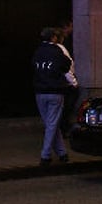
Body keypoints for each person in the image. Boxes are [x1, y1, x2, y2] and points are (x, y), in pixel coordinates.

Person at [32, 27, 72, 166]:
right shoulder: (57, 51)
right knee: (52, 124)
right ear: (53, 37)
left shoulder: (37, 51)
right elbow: (67, 65)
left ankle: (62, 153)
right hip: (55, 91)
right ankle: (45, 154)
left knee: (50, 124)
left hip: (40, 92)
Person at [55, 24, 79, 137]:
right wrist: (73, 82)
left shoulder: (52, 50)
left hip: (58, 83)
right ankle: (63, 128)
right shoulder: (61, 49)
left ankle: (61, 129)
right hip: (65, 83)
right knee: (67, 107)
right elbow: (67, 68)